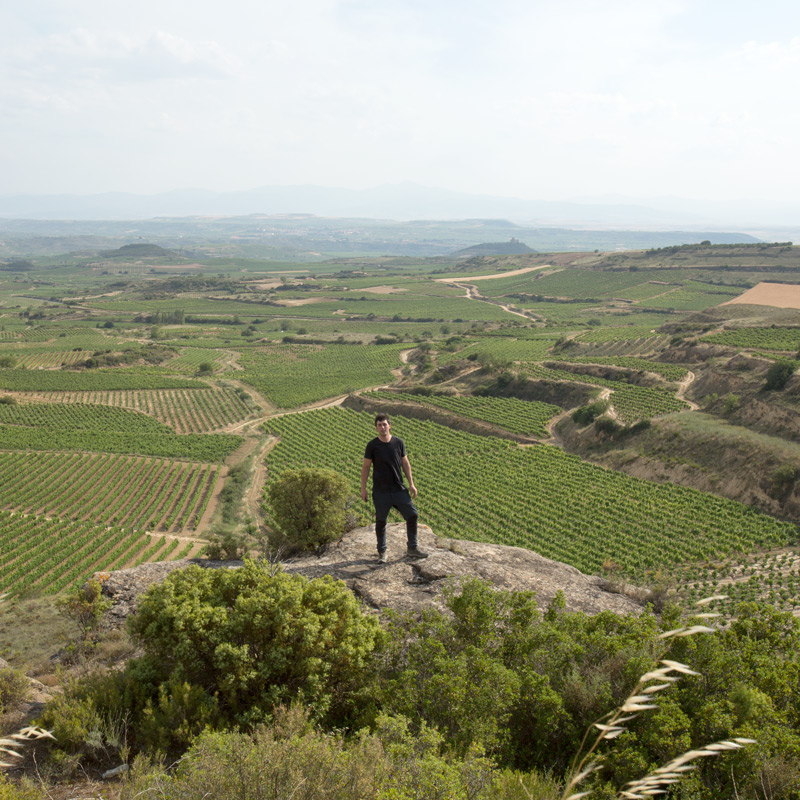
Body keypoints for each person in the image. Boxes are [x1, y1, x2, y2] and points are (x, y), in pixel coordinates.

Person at [361, 413, 427, 563]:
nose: (382, 427)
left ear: (389, 425)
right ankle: (382, 552)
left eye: (385, 424)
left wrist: (411, 483)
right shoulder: (372, 445)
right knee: (381, 521)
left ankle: (412, 548)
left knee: (412, 515)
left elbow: (405, 463)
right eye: (379, 425)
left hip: (398, 488)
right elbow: (365, 468)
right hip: (380, 491)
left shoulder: (398, 442)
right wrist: (363, 489)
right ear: (376, 427)